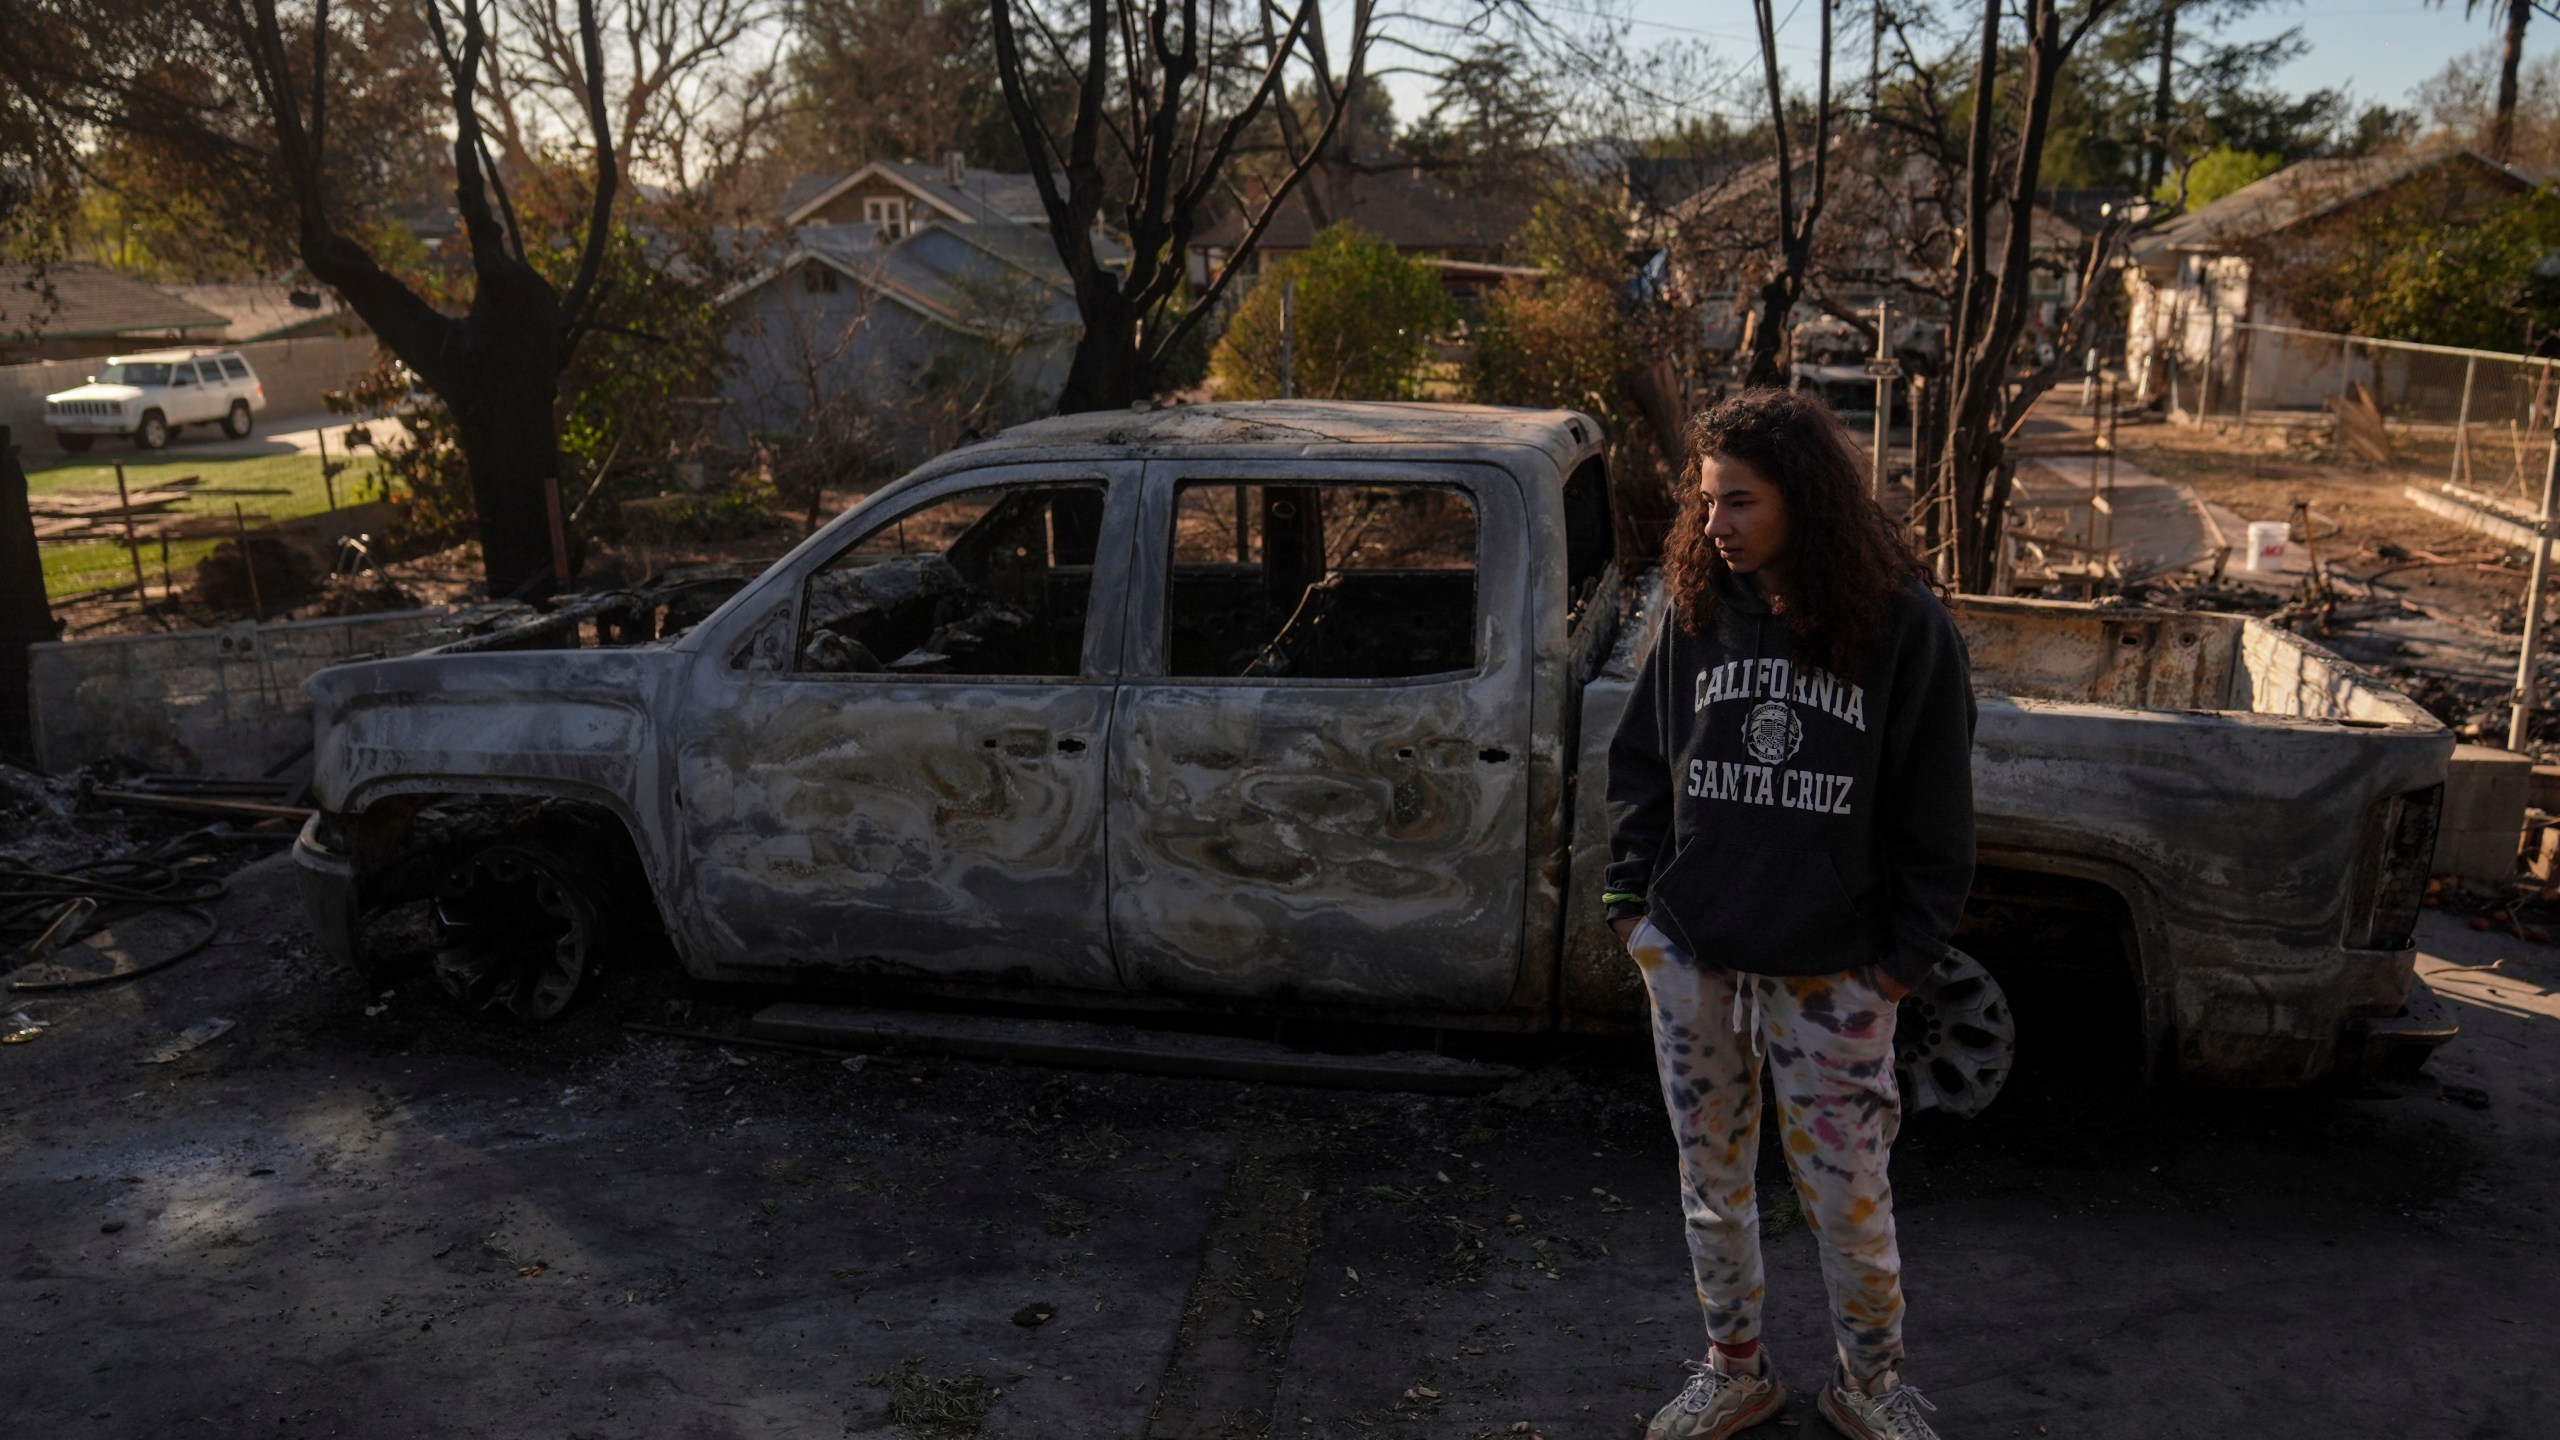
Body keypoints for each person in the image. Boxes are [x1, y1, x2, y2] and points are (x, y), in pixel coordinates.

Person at [1602, 389, 1977, 1440]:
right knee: (1711, 1183)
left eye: (1741, 502)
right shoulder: (1691, 612)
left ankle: (1869, 1384)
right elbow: (1637, 762)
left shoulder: (1902, 628)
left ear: (1805, 502)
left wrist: (1900, 961)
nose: (1714, 523)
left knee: (1849, 1200)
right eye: (1707, 500)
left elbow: (1938, 808)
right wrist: (1637, 911)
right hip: (1695, 958)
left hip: (1836, 970)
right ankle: (1735, 1369)